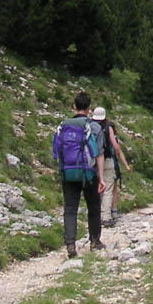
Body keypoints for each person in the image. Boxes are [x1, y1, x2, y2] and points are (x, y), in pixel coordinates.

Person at [53, 92, 106, 258]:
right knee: (93, 206)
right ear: (89, 108)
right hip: (88, 173)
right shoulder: (95, 127)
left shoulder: (63, 125)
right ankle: (94, 240)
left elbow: (56, 151)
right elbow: (99, 154)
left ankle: (70, 244)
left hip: (68, 172)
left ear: (74, 107)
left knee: (70, 208)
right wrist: (101, 178)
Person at [92, 106, 131, 227]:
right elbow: (115, 146)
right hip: (106, 160)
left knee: (95, 189)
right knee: (108, 189)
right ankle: (106, 217)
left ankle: (95, 216)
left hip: (92, 161)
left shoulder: (89, 126)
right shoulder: (108, 128)